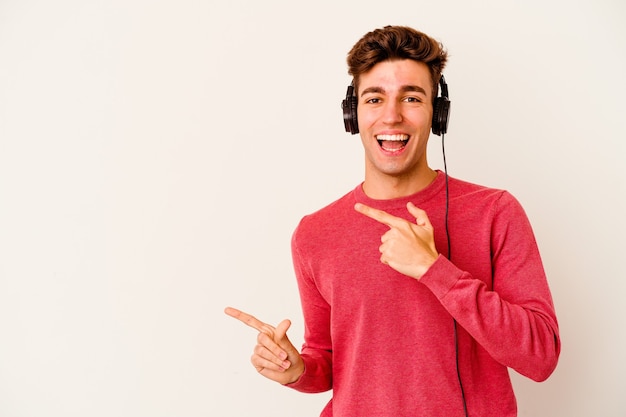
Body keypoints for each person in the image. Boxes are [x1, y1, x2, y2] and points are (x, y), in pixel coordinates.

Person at [225, 25, 560, 417]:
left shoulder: (495, 212)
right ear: (353, 113)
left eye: (412, 97)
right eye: (374, 98)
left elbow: (540, 357)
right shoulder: (314, 233)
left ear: (438, 113)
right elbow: (329, 362)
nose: (391, 116)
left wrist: (435, 269)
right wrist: (296, 369)